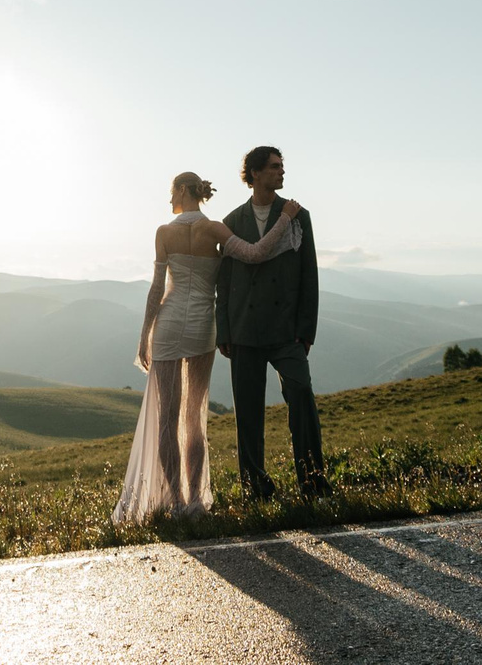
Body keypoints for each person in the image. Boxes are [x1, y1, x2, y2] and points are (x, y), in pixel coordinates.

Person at [111, 170, 302, 523]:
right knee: (193, 415)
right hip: (202, 328)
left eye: (172, 192)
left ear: (183, 191)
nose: (170, 200)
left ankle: (176, 500)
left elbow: (157, 290)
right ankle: (196, 501)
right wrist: (285, 220)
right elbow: (256, 253)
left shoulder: (163, 232)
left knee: (167, 416)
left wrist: (144, 335)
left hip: (168, 327)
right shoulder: (213, 228)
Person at [218, 144, 329, 499]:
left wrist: (305, 330)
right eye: (274, 166)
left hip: (286, 331)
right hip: (244, 329)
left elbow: (308, 274)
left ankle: (312, 481)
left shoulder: (298, 215)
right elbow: (224, 281)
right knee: (247, 413)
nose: (282, 172)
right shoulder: (233, 221)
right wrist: (224, 330)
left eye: (282, 166)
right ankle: (256, 488)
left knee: (301, 394)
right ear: (254, 173)